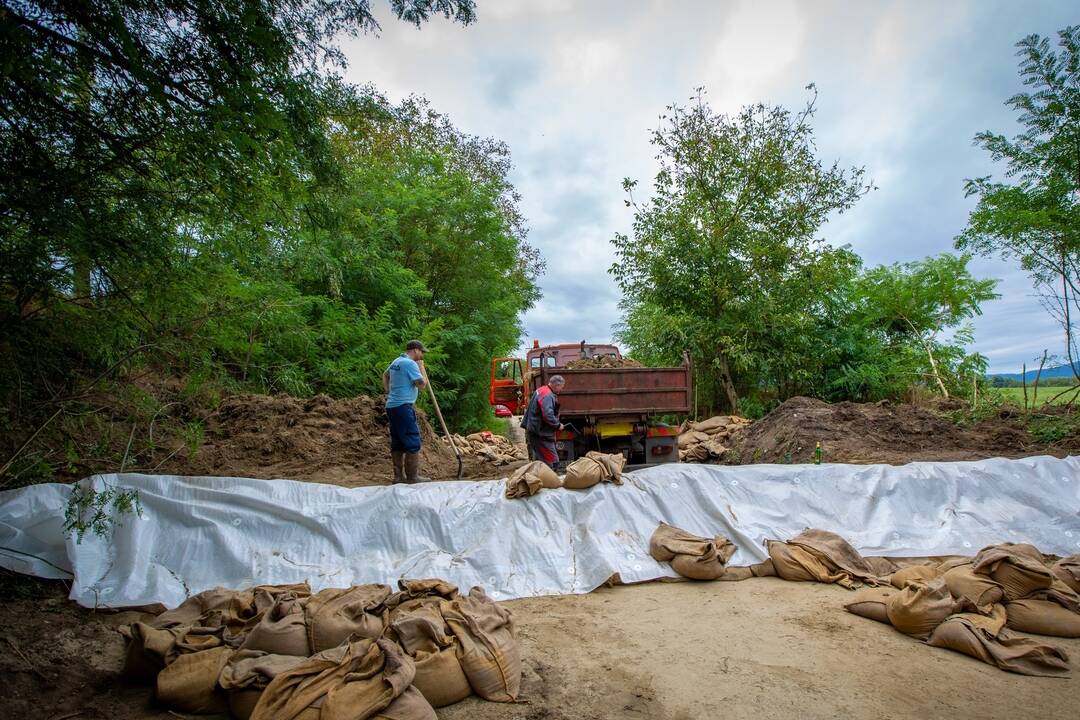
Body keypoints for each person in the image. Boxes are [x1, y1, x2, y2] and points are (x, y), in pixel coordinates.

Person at [383, 339, 427, 483]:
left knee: (397, 441)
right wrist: (421, 367)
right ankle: (412, 477)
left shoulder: (396, 361)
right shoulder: (410, 364)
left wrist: (389, 392)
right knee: (412, 440)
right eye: (421, 352)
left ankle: (398, 477)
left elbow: (385, 375)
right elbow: (422, 385)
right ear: (415, 350)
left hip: (392, 406)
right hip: (403, 407)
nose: (422, 355)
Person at [521, 375, 565, 470]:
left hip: (537, 431)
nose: (561, 390)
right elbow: (548, 415)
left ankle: (545, 476)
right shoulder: (547, 395)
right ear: (557, 385)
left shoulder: (541, 390)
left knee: (547, 461)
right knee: (553, 463)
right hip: (540, 434)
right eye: (561, 387)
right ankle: (548, 477)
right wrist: (558, 425)